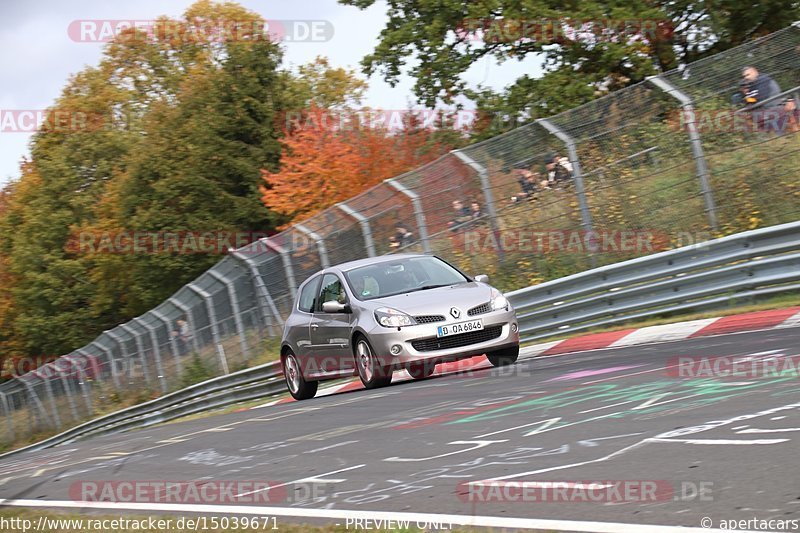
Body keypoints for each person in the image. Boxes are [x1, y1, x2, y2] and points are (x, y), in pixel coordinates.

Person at [740, 66, 784, 133]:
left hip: (773, 109)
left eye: (748, 74)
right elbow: (751, 99)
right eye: (744, 76)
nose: (746, 77)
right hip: (766, 111)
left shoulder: (763, 80)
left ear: (755, 72)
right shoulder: (753, 83)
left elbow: (760, 98)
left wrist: (748, 100)